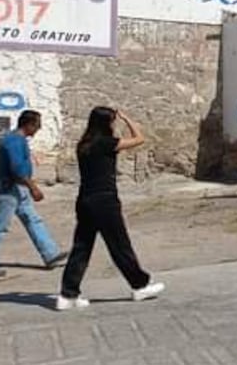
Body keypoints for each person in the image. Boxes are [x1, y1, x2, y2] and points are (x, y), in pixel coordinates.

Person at [58, 108, 164, 311]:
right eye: (113, 122)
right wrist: (127, 118)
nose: (114, 125)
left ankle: (68, 294)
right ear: (106, 123)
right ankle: (139, 285)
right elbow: (139, 139)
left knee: (82, 246)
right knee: (119, 244)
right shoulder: (106, 143)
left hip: (85, 199)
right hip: (104, 200)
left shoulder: (84, 145)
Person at [0, 110, 66, 278]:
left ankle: (50, 253)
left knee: (32, 219)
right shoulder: (14, 141)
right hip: (11, 188)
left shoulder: (16, 139)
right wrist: (33, 187)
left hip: (18, 187)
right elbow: (16, 169)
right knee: (0, 226)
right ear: (29, 124)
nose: (38, 128)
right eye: (37, 125)